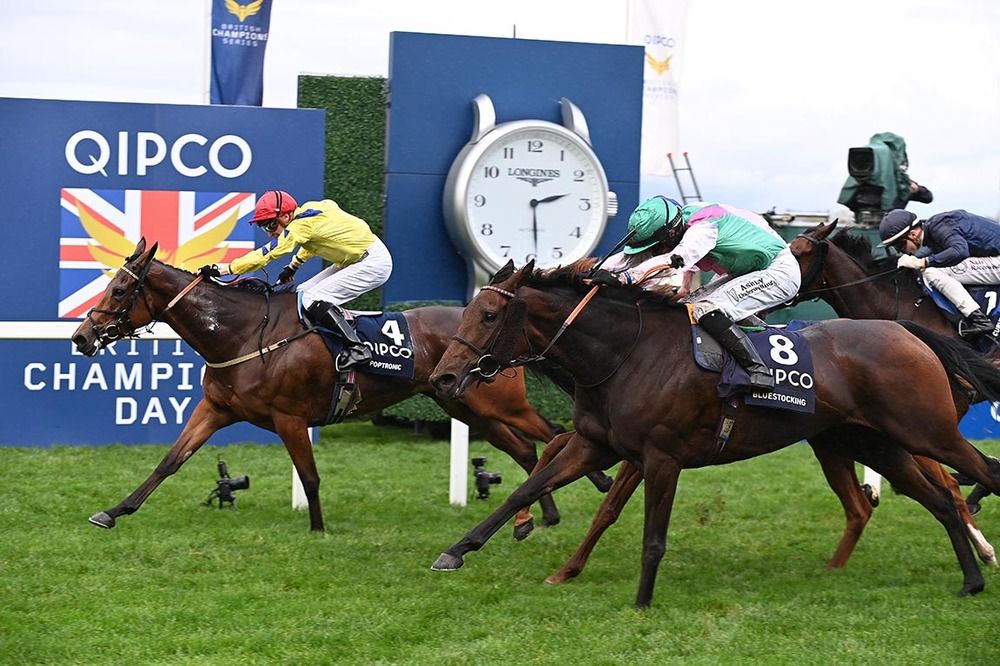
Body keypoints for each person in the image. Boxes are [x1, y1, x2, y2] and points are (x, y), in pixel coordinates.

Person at [597, 196, 802, 388]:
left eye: (657, 247)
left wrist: (625, 278)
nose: (655, 252)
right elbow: (629, 259)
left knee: (705, 310)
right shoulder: (678, 223)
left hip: (778, 271)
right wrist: (595, 271)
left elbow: (677, 257)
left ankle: (758, 371)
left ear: (670, 234)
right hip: (746, 271)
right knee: (683, 309)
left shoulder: (703, 228)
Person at [199, 190, 393, 370]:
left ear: (285, 216)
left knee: (311, 299)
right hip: (355, 259)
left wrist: (225, 269)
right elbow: (312, 242)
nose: (269, 232)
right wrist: (293, 266)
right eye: (264, 227)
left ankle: (357, 348)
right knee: (301, 293)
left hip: (373, 262)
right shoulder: (309, 213)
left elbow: (268, 254)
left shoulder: (301, 224)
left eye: (270, 225)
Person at [879, 208, 1000, 339]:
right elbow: (935, 254)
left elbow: (960, 251)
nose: (901, 251)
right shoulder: (934, 230)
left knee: (931, 272)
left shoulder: (940, 226)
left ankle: (979, 319)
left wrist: (921, 262)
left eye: (899, 246)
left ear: (913, 235)